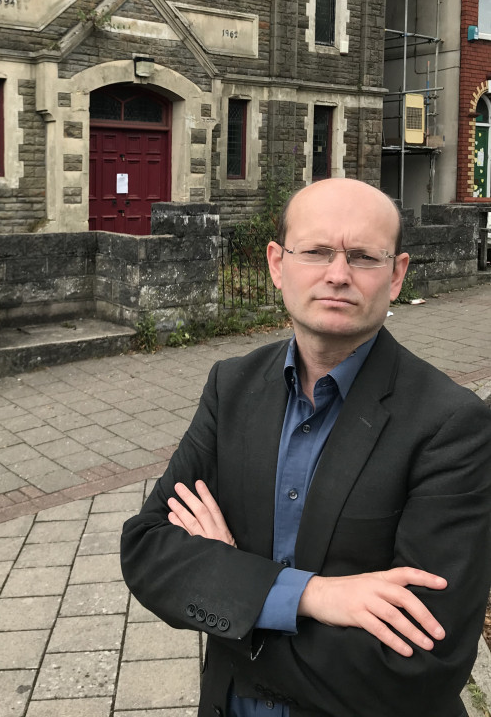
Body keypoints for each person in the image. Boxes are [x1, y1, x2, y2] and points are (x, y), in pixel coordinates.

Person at [121, 178, 491, 717]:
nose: (337, 274)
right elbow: (149, 550)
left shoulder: (451, 424)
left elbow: (419, 667)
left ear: (396, 275)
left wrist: (236, 605)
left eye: (363, 256)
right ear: (277, 264)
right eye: (316, 251)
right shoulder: (233, 387)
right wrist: (313, 595)